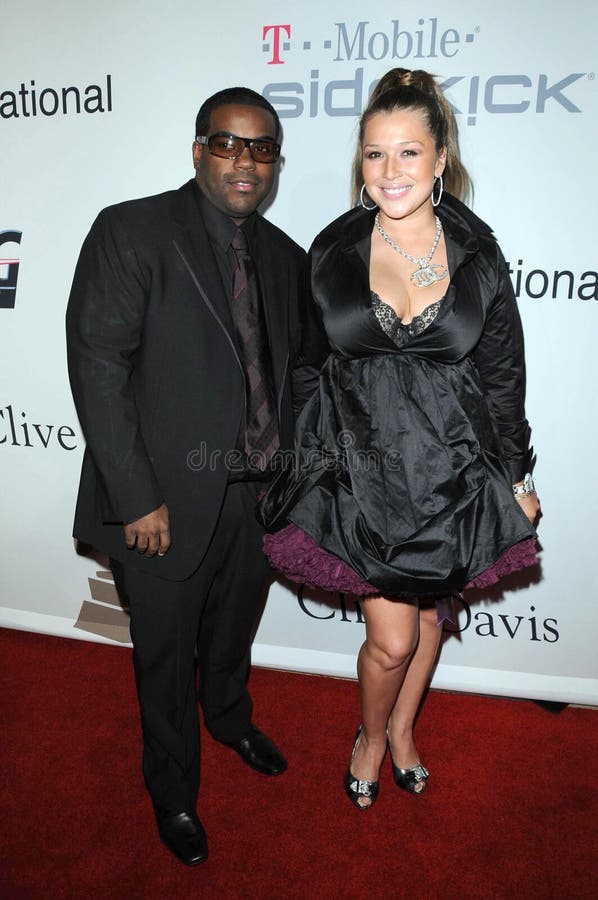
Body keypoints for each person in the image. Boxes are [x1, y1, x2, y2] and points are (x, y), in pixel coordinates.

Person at [259, 68, 541, 809]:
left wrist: (516, 477)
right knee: (393, 639)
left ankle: (406, 728)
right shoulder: (334, 249)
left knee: (427, 622)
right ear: (360, 161)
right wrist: (307, 462)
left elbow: (503, 375)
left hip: (451, 469)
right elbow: (307, 368)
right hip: (364, 471)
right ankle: (372, 736)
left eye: (408, 153)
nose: (390, 172)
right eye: (375, 154)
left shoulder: (478, 253)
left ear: (441, 157)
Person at [66, 86, 320, 865]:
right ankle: (173, 791)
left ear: (276, 162)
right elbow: (98, 367)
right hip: (163, 501)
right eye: (227, 142)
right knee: (166, 655)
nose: (246, 161)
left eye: (262, 148)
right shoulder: (132, 230)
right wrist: (136, 496)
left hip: (256, 496)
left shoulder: (285, 257)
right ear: (198, 151)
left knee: (233, 628)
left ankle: (231, 716)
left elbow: (298, 375)